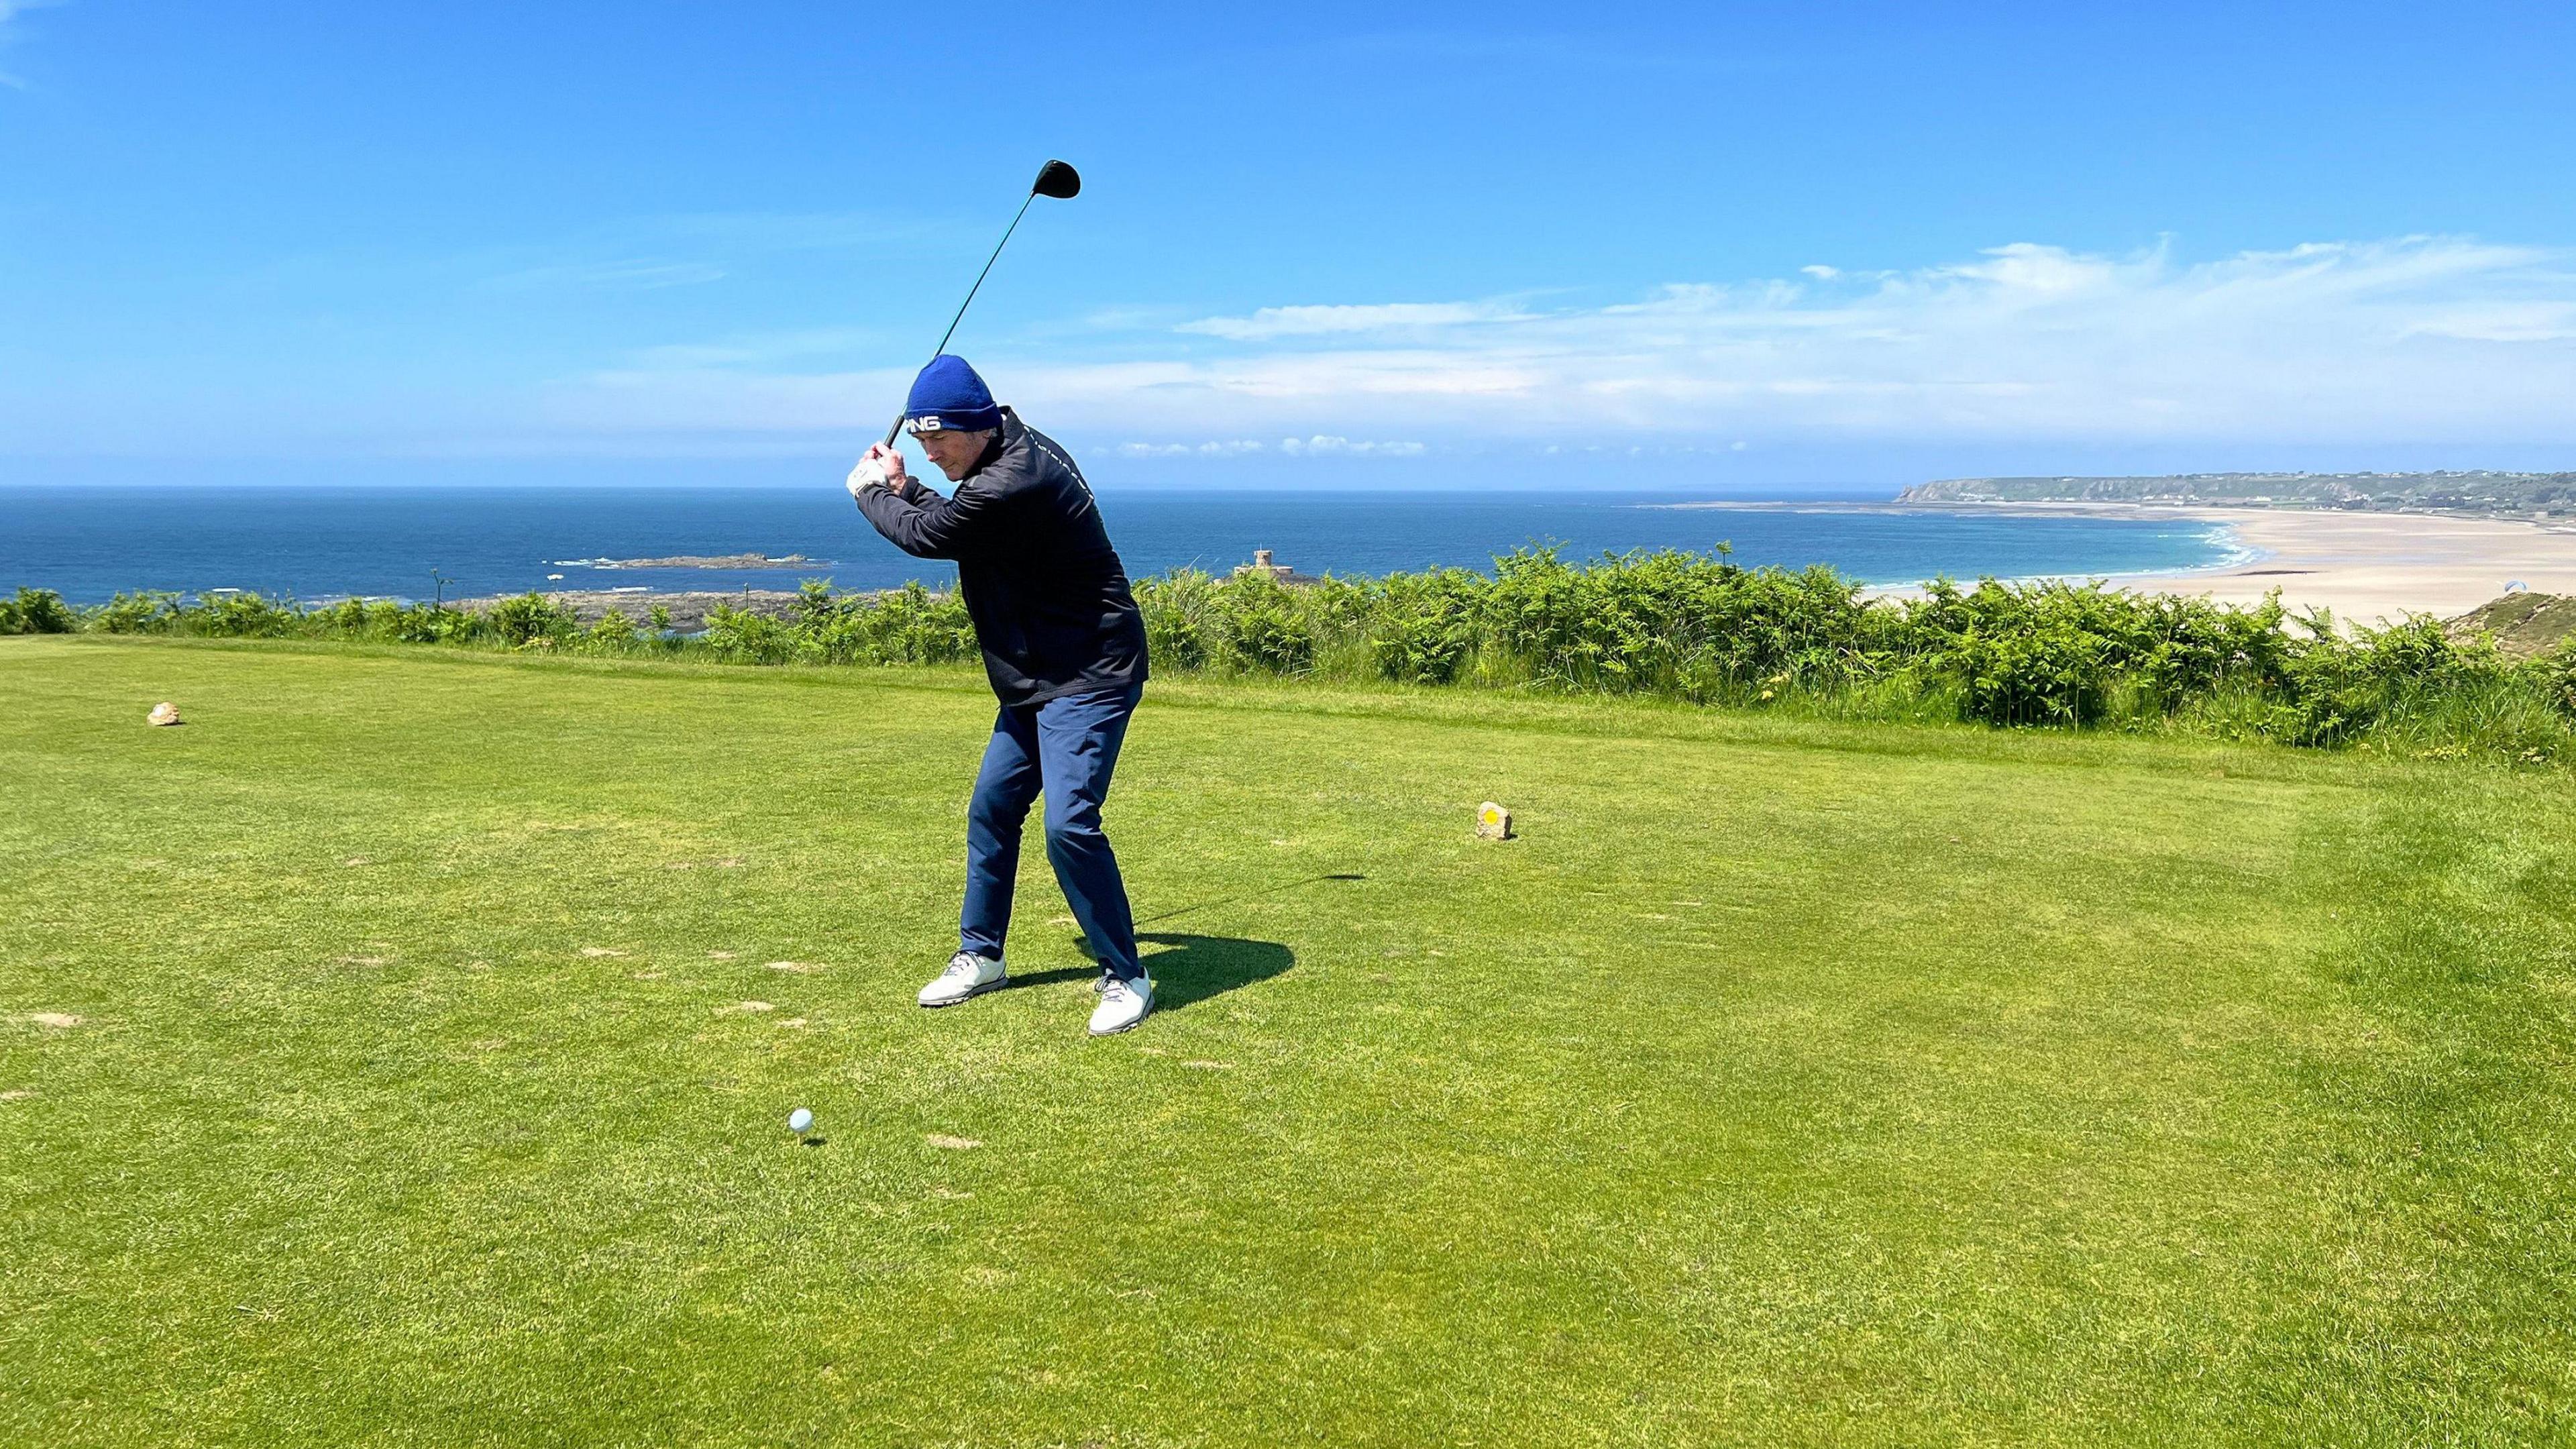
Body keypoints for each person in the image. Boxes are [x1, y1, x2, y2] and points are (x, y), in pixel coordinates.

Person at [845, 355, 1155, 1035]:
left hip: (1090, 672)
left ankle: (1127, 975)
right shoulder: (1000, 454)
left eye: (939, 442)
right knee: (992, 809)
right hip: (1034, 677)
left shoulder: (1019, 475)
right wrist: (906, 485)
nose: (929, 454)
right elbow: (965, 527)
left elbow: (933, 534)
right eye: (920, 444)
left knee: (1069, 824)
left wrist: (872, 492)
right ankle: (981, 955)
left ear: (977, 426)